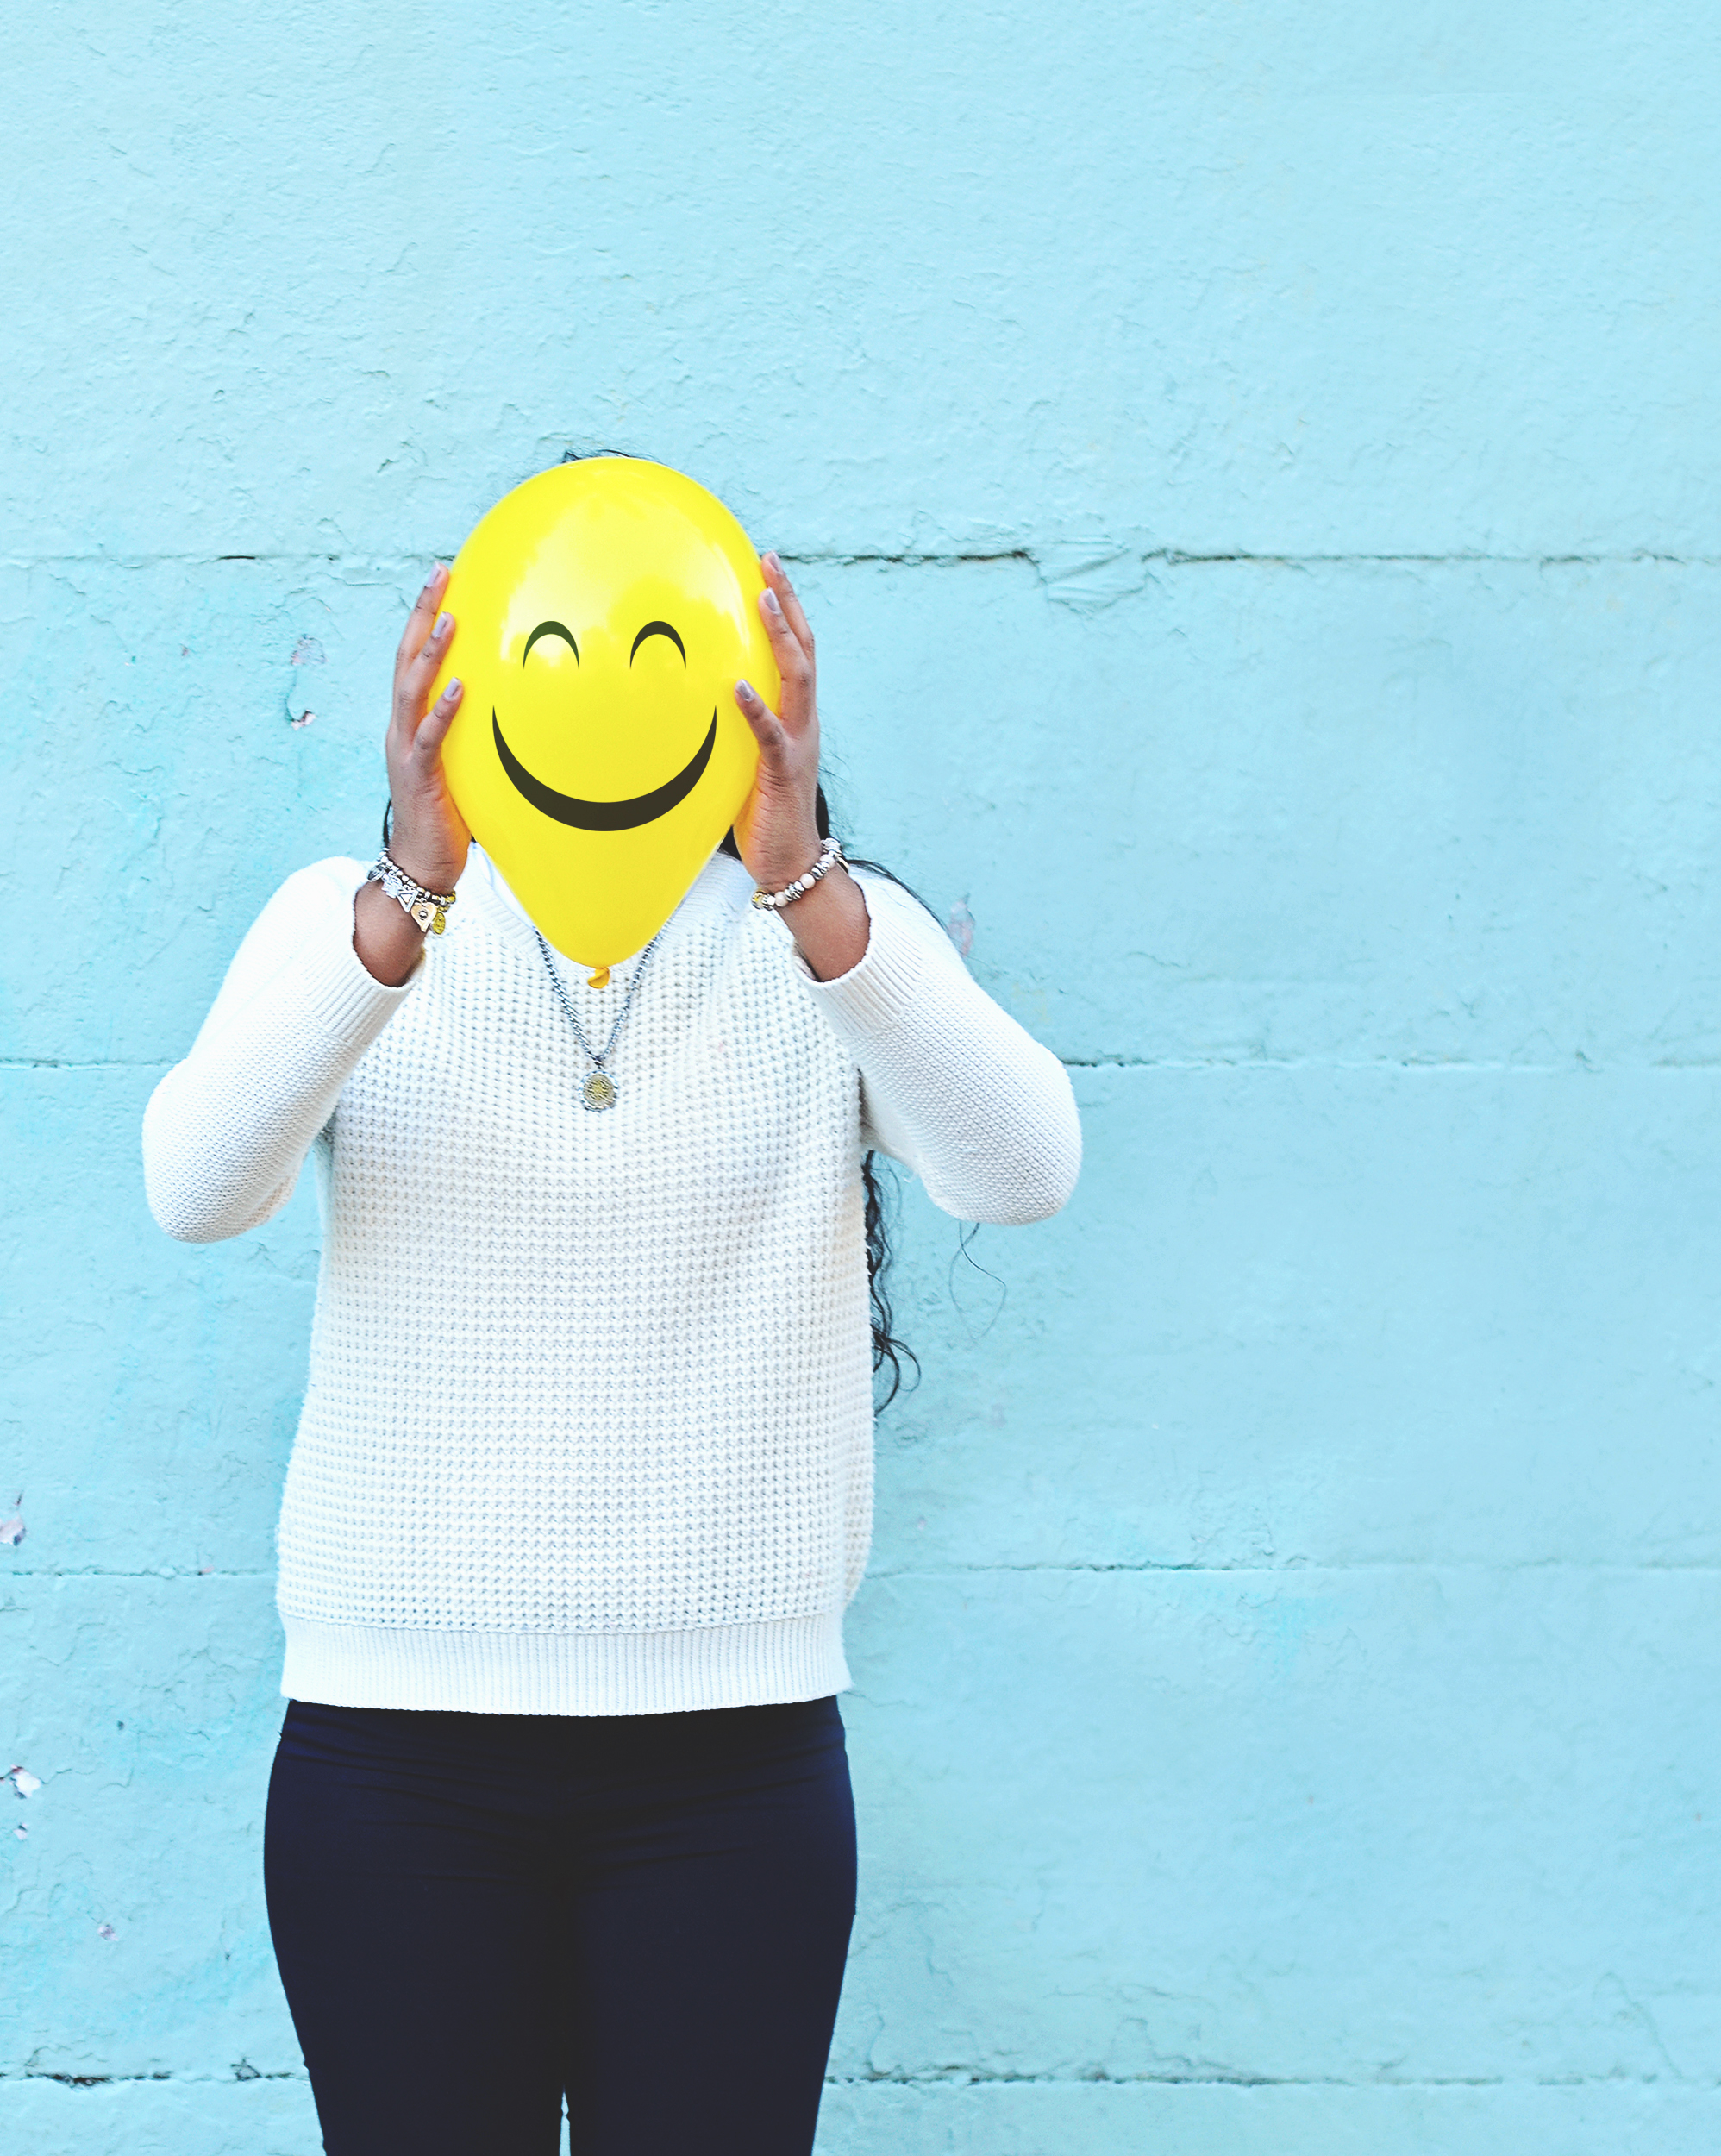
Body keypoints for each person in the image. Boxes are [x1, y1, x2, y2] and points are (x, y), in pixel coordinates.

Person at [142, 538, 1081, 2154]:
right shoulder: (349, 930)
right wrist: (403, 899)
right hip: (395, 1763)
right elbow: (195, 1188)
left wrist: (809, 889)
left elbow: (1024, 1167)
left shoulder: (828, 944)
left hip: (732, 1769)